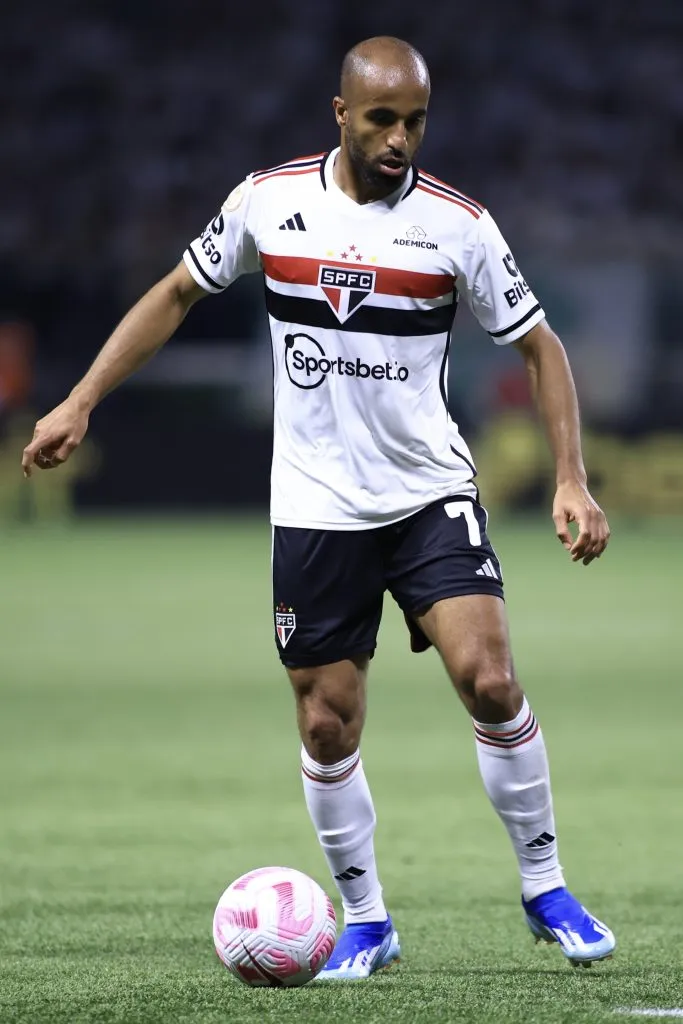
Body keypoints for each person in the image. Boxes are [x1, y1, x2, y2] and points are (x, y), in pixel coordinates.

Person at [23, 36, 615, 979]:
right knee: (327, 725)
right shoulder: (269, 202)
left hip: (427, 491)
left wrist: (570, 475)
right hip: (314, 508)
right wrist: (82, 398)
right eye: (381, 119)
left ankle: (545, 888)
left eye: (415, 121)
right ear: (339, 113)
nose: (399, 139)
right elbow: (178, 291)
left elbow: (539, 347)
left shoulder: (458, 225)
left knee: (491, 679)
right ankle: (368, 919)